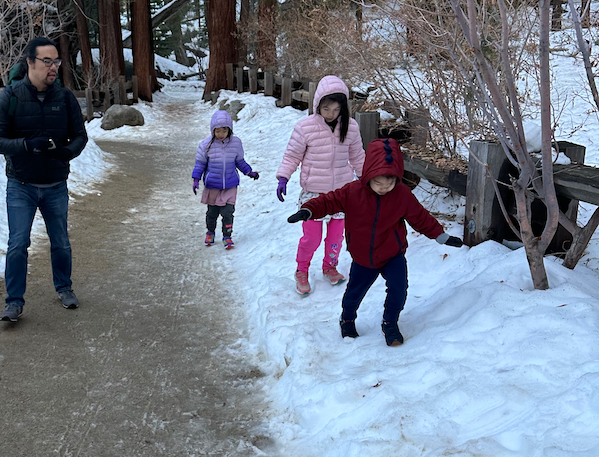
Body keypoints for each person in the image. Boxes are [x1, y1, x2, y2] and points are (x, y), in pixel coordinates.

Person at [288, 136, 463, 345]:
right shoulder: (353, 192)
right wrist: (309, 210)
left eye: (389, 183)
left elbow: (420, 218)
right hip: (363, 256)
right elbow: (328, 201)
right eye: (378, 182)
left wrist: (441, 236)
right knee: (354, 293)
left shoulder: (402, 195)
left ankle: (390, 323)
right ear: (368, 175)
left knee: (399, 289)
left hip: (392, 254)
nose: (383, 188)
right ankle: (347, 319)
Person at [0, 36, 88, 324]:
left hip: (55, 184)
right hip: (21, 185)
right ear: (30, 63)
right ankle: (13, 302)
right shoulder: (11, 96)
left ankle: (64, 287)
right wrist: (27, 146)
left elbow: (80, 136)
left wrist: (66, 153)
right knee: (18, 244)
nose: (53, 67)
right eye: (47, 61)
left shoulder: (65, 98)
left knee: (61, 242)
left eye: (56, 61)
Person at [275, 75, 365, 296]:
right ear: (317, 105)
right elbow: (292, 155)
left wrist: (366, 180)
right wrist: (283, 177)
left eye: (336, 109)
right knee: (312, 238)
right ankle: (302, 270)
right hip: (314, 194)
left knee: (336, 237)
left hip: (341, 194)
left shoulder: (351, 127)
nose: (331, 114)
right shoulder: (305, 127)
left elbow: (358, 156)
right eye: (326, 109)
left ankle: (330, 266)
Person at [192, 109, 259, 249]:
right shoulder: (206, 145)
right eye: (217, 131)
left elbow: (240, 161)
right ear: (213, 130)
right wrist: (196, 179)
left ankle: (227, 236)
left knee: (228, 213)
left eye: (224, 130)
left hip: (230, 185)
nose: (221, 134)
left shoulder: (236, 143)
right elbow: (200, 164)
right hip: (213, 185)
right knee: (212, 213)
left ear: (229, 129)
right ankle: (210, 232)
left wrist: (249, 172)